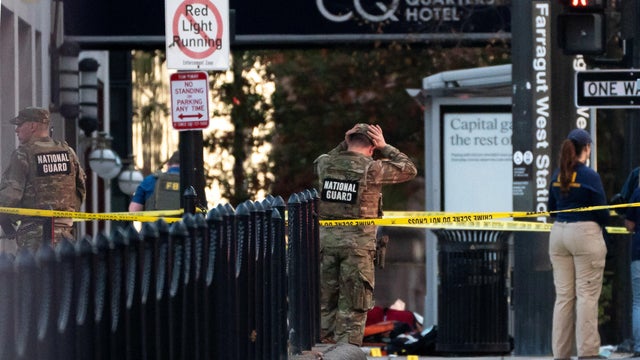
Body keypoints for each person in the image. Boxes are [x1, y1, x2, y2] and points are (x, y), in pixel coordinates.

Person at [314, 123, 417, 346]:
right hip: (357, 249)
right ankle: (346, 352)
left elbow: (333, 155)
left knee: (324, 304)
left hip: (325, 246)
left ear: (348, 140)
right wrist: (385, 146)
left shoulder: (325, 163)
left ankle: (320, 349)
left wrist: (345, 142)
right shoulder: (372, 169)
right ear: (372, 147)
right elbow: (409, 169)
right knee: (353, 306)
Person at [548, 128, 609, 360]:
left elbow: (551, 207)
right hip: (584, 234)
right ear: (586, 148)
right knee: (586, 296)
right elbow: (601, 212)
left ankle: (560, 354)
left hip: (559, 234)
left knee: (563, 297)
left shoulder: (557, 174)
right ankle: (588, 352)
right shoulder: (590, 176)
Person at [0, 107, 86, 252]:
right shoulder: (68, 152)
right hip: (66, 235)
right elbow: (80, 189)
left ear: (33, 126)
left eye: (20, 125)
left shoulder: (23, 154)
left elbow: (10, 196)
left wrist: (5, 220)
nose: (17, 130)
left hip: (34, 238)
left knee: (34, 274)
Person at [625, 189, 640, 358]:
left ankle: (639, 347)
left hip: (638, 252)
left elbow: (629, 224)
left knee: (638, 302)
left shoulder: (637, 193)